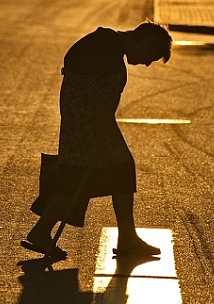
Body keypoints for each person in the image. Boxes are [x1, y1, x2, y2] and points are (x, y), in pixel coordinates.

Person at [23, 21, 173, 258]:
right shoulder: (106, 49)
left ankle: (43, 231)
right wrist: (96, 134)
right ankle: (125, 239)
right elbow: (92, 94)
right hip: (91, 126)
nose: (146, 63)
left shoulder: (104, 43)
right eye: (150, 56)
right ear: (143, 41)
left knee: (77, 179)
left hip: (85, 125)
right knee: (94, 175)